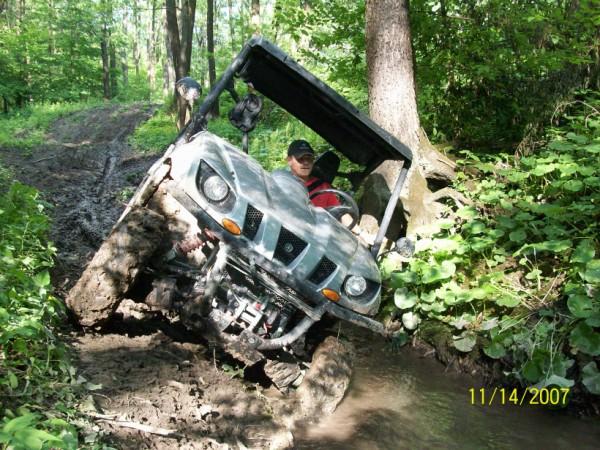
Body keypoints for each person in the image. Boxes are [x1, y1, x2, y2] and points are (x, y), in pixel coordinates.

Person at [286, 139, 340, 208]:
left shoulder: (324, 188)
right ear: (289, 160)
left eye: (309, 158)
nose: (306, 162)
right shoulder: (280, 184)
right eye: (300, 158)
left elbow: (340, 212)